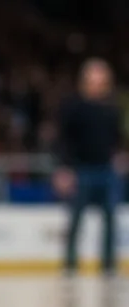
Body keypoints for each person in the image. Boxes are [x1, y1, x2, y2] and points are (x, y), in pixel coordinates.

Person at [55, 58, 125, 277]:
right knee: (75, 219)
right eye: (93, 79)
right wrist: (64, 169)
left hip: (106, 170)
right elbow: (63, 140)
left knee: (110, 219)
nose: (97, 83)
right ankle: (70, 264)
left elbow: (117, 139)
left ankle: (108, 265)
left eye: (101, 79)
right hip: (80, 170)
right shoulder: (73, 107)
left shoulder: (112, 110)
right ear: (84, 81)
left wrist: (120, 157)